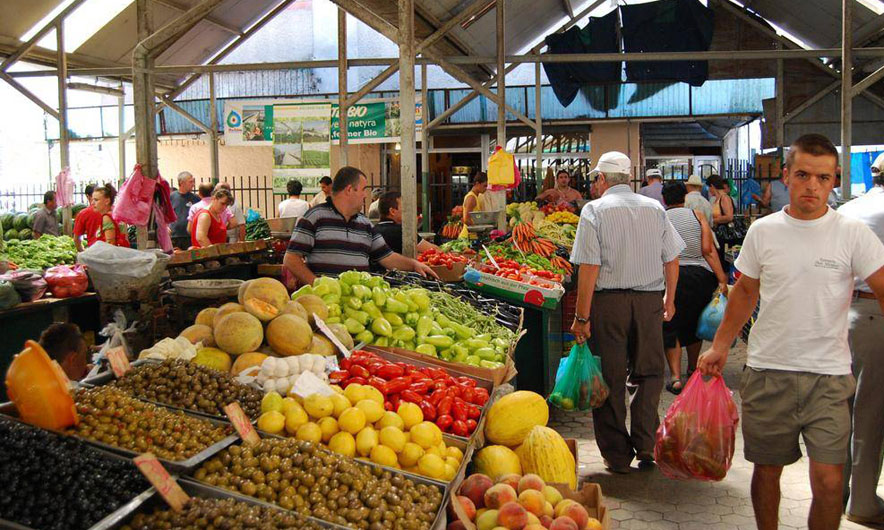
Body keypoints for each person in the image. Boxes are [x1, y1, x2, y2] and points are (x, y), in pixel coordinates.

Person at [697, 134, 884, 530]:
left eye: (822, 177)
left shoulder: (852, 234)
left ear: (834, 180)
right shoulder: (764, 231)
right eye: (802, 175)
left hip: (830, 378)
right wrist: (720, 346)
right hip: (768, 372)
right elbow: (746, 291)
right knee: (767, 472)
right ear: (786, 176)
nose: (812, 186)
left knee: (830, 480)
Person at [569, 151, 684, 474]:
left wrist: (582, 317)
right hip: (648, 302)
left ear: (603, 179)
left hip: (609, 305)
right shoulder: (655, 209)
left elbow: (589, 267)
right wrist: (669, 298)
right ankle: (647, 445)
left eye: (596, 179)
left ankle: (618, 455)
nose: (594, 185)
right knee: (649, 374)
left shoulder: (594, 211)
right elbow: (672, 258)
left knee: (608, 378)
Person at [284, 166, 437, 285]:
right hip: (324, 306)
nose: (365, 195)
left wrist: (414, 265)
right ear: (350, 189)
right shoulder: (314, 217)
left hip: (357, 305)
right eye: (363, 189)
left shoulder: (365, 224)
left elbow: (388, 257)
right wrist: (317, 285)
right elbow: (291, 259)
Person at [838, 154, 884, 524]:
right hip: (877, 313)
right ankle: (863, 503)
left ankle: (835, 491)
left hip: (843, 315)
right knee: (870, 414)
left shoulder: (850, 210)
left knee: (841, 408)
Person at [660, 181, 728, 395]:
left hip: (670, 277)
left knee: (671, 326)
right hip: (699, 276)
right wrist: (721, 278)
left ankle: (675, 377)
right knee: (693, 322)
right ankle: (692, 368)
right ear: (685, 198)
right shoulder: (697, 216)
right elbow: (708, 250)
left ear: (664, 200)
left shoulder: (659, 217)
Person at [373, 191, 438, 255]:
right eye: (404, 207)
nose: (408, 211)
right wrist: (412, 227)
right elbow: (433, 250)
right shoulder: (400, 232)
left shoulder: (375, 229)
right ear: (392, 211)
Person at [169, 171, 199, 249]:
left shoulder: (196, 198)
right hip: (175, 236)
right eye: (191, 182)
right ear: (182, 183)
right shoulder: (171, 197)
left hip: (190, 236)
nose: (193, 184)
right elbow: (163, 213)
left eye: (193, 181)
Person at [73, 184, 101, 251]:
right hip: (112, 251)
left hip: (94, 251)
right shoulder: (112, 210)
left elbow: (76, 239)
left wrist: (83, 252)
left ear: (88, 196)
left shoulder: (83, 213)